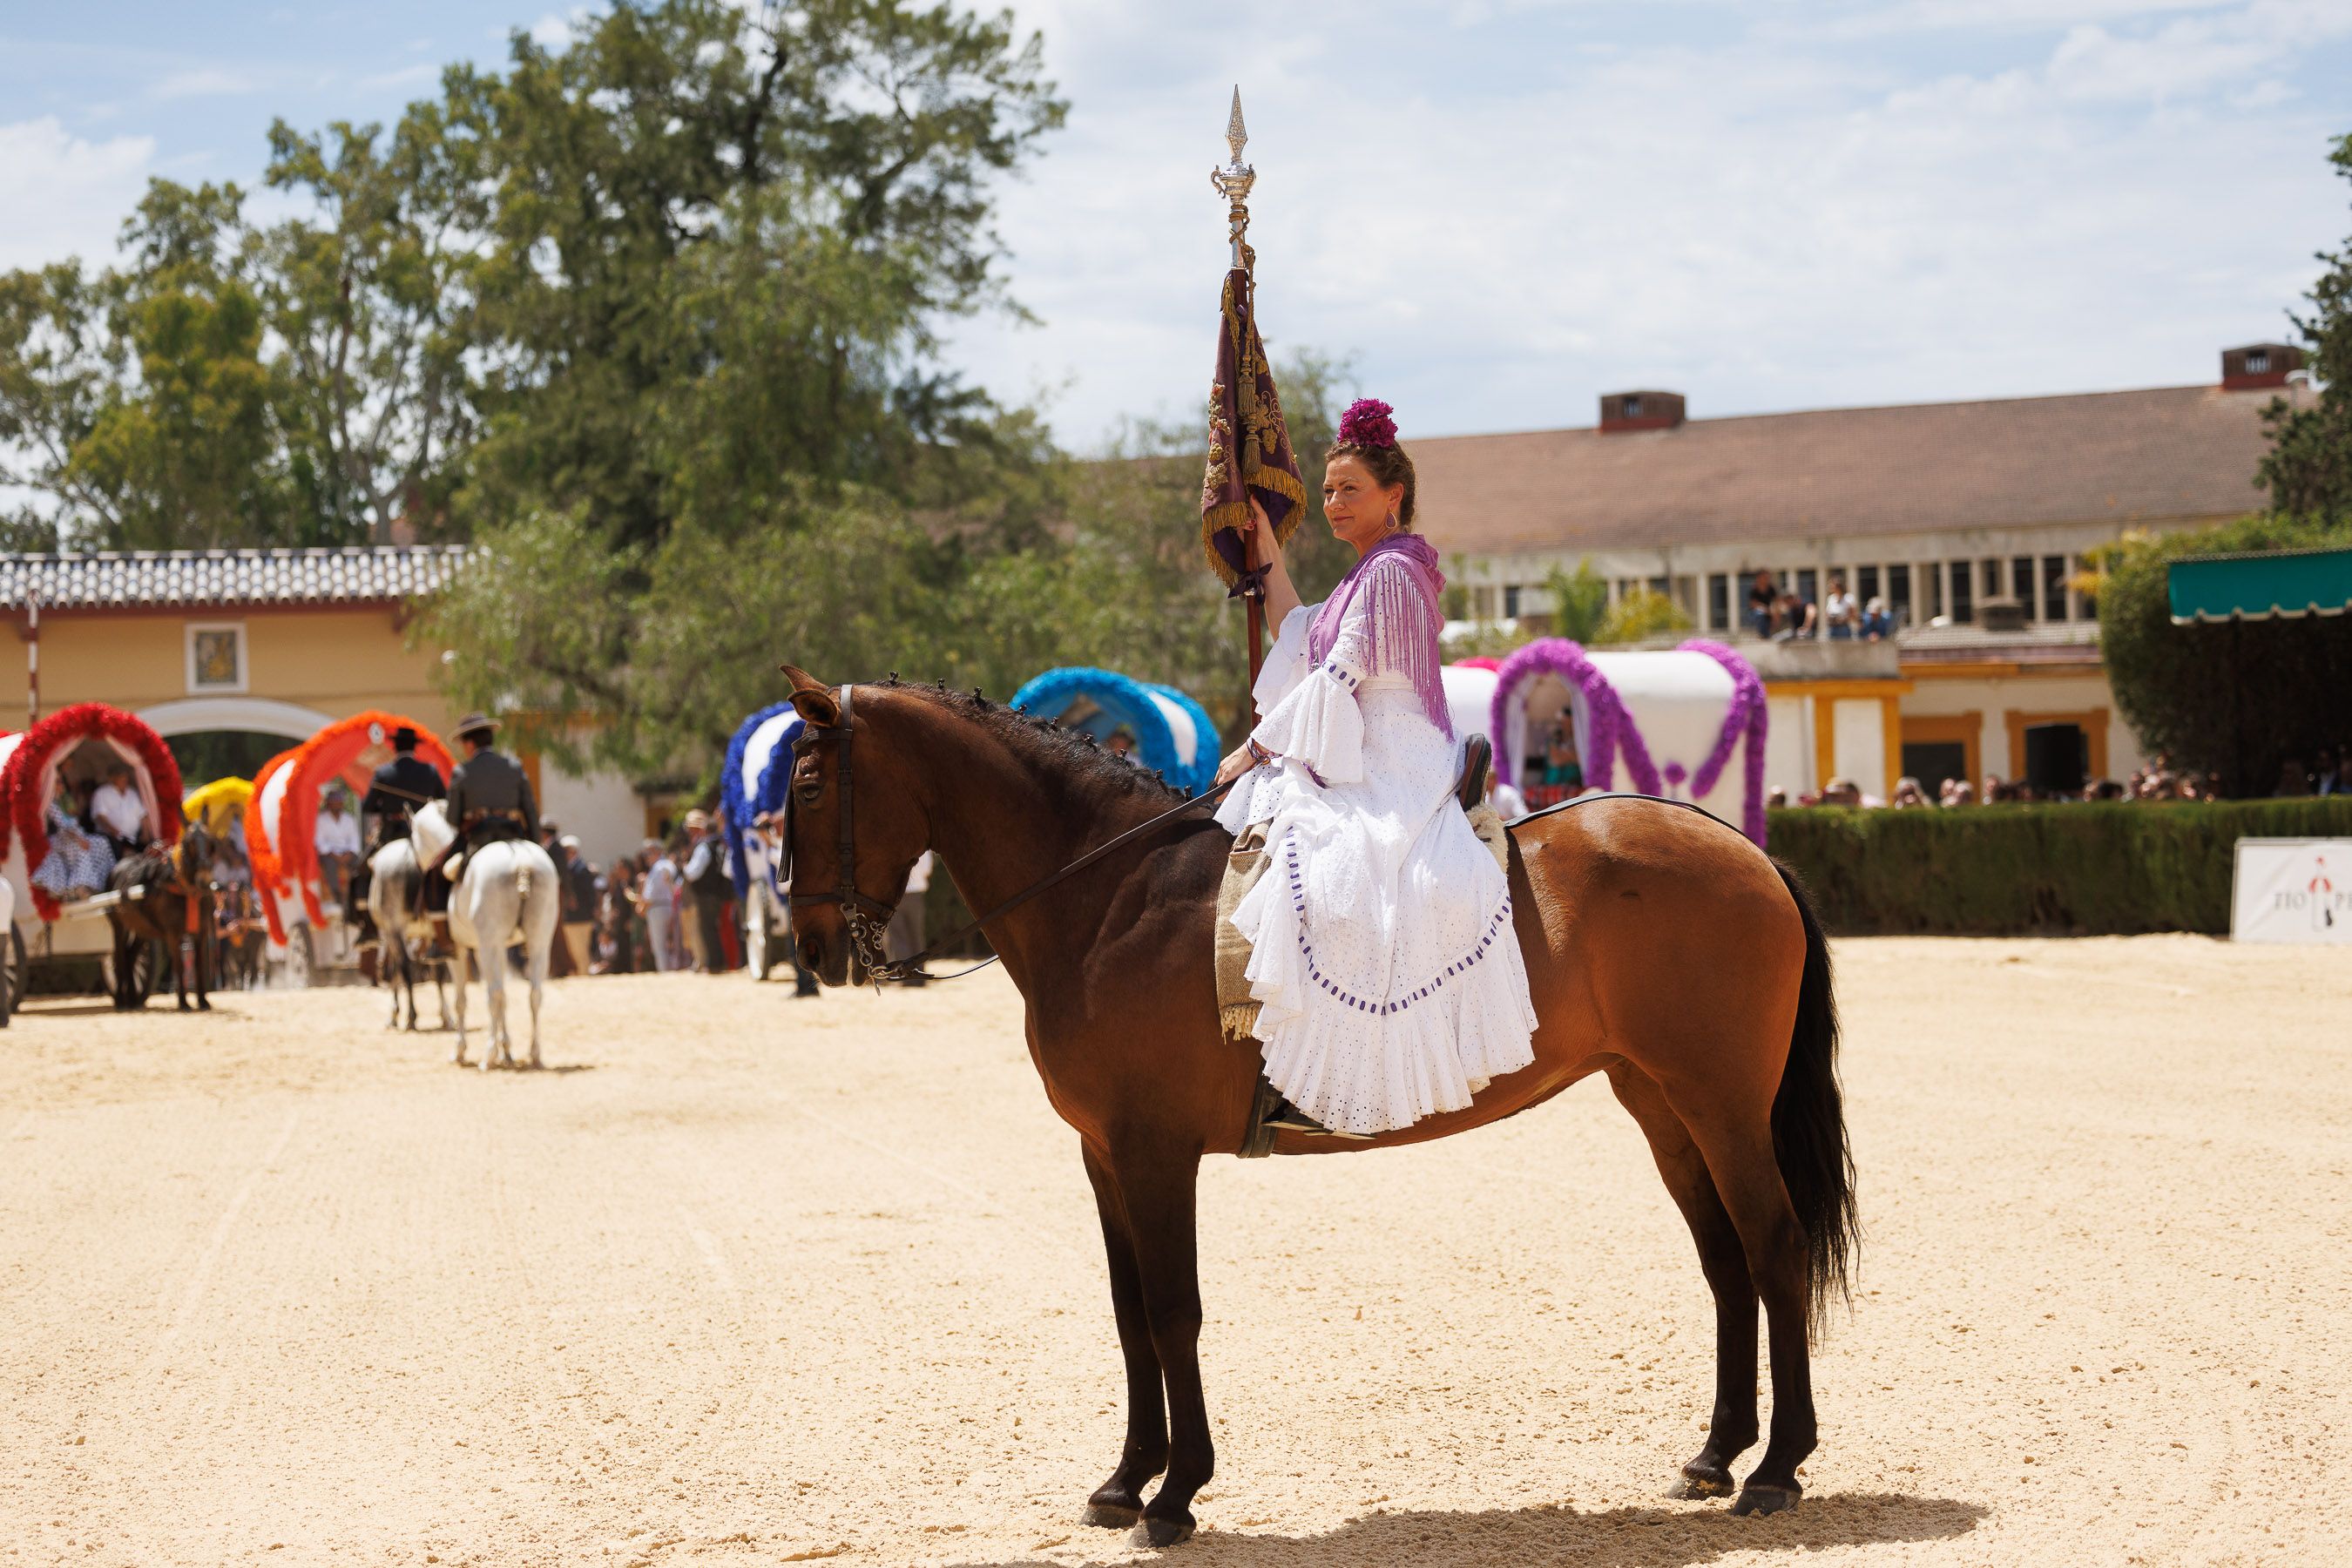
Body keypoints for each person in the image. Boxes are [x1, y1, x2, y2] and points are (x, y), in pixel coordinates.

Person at [1211, 397, 1537, 1138]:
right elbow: (1302, 633)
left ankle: (1339, 1076)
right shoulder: (1364, 579)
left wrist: (1255, 749)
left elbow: (1337, 676)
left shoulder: (1391, 573)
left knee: (1329, 876)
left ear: (1394, 496)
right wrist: (1266, 548)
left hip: (1394, 757)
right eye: (1327, 491)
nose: (1332, 502)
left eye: (1348, 488)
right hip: (1357, 748)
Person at [423, 713, 538, 922]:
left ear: (469, 744)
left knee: (435, 872)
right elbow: (530, 809)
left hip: (478, 836)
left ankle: (442, 935)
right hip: (514, 833)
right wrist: (535, 843)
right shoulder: (514, 766)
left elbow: (452, 819)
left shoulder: (462, 771)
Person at [362, 726, 446, 849]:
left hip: (392, 833)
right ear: (414, 747)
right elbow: (443, 800)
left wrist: (386, 808)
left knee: (364, 865)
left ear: (395, 747)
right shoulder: (430, 771)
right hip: (425, 832)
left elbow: (367, 807)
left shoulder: (383, 773)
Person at [31, 794, 113, 902]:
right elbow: (63, 826)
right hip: (61, 839)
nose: (60, 786)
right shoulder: (51, 804)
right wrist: (79, 840)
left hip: (76, 834)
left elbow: (74, 819)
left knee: (101, 843)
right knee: (80, 849)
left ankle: (103, 882)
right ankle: (79, 886)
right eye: (57, 782)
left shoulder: (65, 800)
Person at [884, 849, 934, 985]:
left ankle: (905, 976)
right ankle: (920, 975)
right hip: (916, 894)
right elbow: (927, 869)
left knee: (898, 936)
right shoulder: (923, 848)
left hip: (896, 895)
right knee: (916, 934)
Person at [314, 789, 364, 909]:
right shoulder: (321, 820)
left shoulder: (349, 819)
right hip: (329, 854)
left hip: (347, 853)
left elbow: (354, 841)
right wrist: (335, 856)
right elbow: (320, 842)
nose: (338, 804)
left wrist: (349, 854)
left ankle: (359, 894)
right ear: (329, 804)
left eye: (339, 802)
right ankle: (336, 895)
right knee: (330, 866)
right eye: (335, 802)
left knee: (361, 864)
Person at [557, 835, 598, 976]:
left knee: (580, 951)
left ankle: (584, 977)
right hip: (574, 918)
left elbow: (590, 896)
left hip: (580, 918)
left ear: (573, 851)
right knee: (575, 951)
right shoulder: (571, 869)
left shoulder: (581, 870)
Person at [90, 762, 147, 855]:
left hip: (133, 838)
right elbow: (100, 817)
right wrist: (115, 832)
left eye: (125, 776)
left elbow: (142, 815)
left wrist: (146, 834)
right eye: (120, 776)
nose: (124, 779)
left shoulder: (132, 793)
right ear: (112, 777)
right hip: (111, 838)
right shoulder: (101, 793)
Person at [1745, 569, 1778, 637]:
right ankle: (1763, 634)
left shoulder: (1771, 589)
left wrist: (1775, 612)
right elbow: (1754, 605)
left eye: (1768, 577)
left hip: (1769, 612)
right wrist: (1768, 611)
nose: (1767, 579)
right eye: (1765, 577)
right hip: (1755, 613)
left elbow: (1776, 602)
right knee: (1760, 614)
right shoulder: (1754, 590)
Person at [1823, 574, 1857, 639]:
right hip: (1832, 628)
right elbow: (1827, 614)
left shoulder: (1849, 598)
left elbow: (1854, 615)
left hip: (1843, 628)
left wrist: (1843, 619)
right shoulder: (1831, 598)